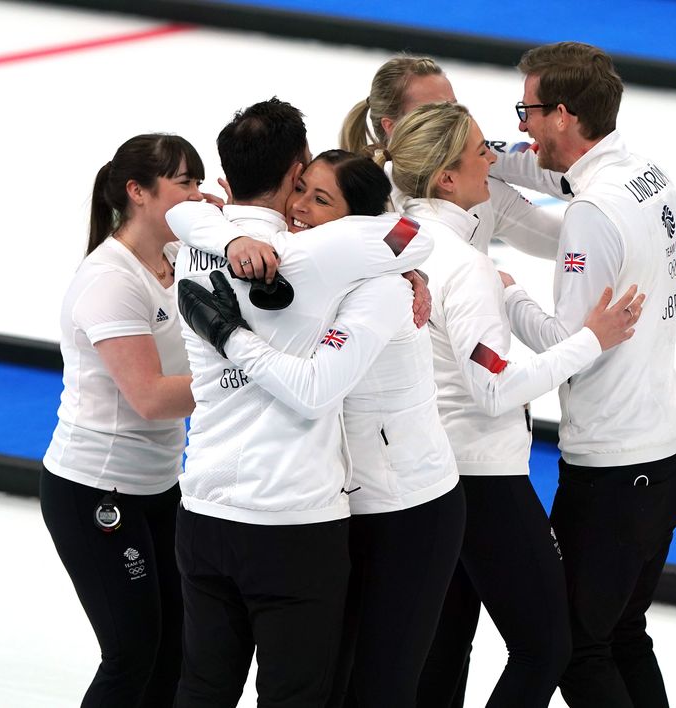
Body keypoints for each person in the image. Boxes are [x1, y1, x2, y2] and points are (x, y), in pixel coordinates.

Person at [167, 98, 433, 708]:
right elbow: (411, 237)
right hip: (290, 521)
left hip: (204, 506)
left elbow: (184, 211)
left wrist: (225, 230)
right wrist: (401, 273)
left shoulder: (194, 244)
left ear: (225, 176)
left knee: (201, 689)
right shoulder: (317, 254)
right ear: (298, 166)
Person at [380, 101, 644, 708]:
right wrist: (589, 340)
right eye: (480, 153)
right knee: (546, 647)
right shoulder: (464, 266)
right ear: (447, 177)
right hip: (482, 476)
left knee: (441, 649)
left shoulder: (395, 238)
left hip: (425, 471)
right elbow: (494, 384)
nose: (492, 160)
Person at [499, 42, 676, 708]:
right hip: (665, 447)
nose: (522, 125)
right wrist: (475, 152)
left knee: (577, 648)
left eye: (527, 111)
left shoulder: (590, 213)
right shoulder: (641, 169)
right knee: (623, 633)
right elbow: (550, 173)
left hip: (615, 464)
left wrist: (504, 294)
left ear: (562, 114)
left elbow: (574, 341)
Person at [40, 133, 206, 707]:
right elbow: (152, 398)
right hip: (96, 492)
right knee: (133, 651)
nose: (197, 193)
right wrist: (251, 379)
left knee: (178, 648)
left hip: (159, 487)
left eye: (198, 180)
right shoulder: (110, 281)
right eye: (184, 181)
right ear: (138, 192)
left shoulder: (177, 259)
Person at [341, 54, 561, 259]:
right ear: (392, 127)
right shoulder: (366, 203)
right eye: (435, 110)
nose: (454, 118)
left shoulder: (478, 187)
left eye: (454, 107)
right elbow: (385, 271)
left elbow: (569, 242)